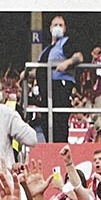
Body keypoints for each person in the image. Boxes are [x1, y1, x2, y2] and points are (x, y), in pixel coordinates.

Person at [38, 15, 83, 143]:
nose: (57, 27)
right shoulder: (47, 49)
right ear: (50, 28)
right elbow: (40, 68)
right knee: (46, 124)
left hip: (60, 87)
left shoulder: (66, 43)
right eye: (55, 25)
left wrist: (67, 63)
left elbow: (78, 56)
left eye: (60, 25)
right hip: (45, 90)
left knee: (59, 123)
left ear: (64, 29)